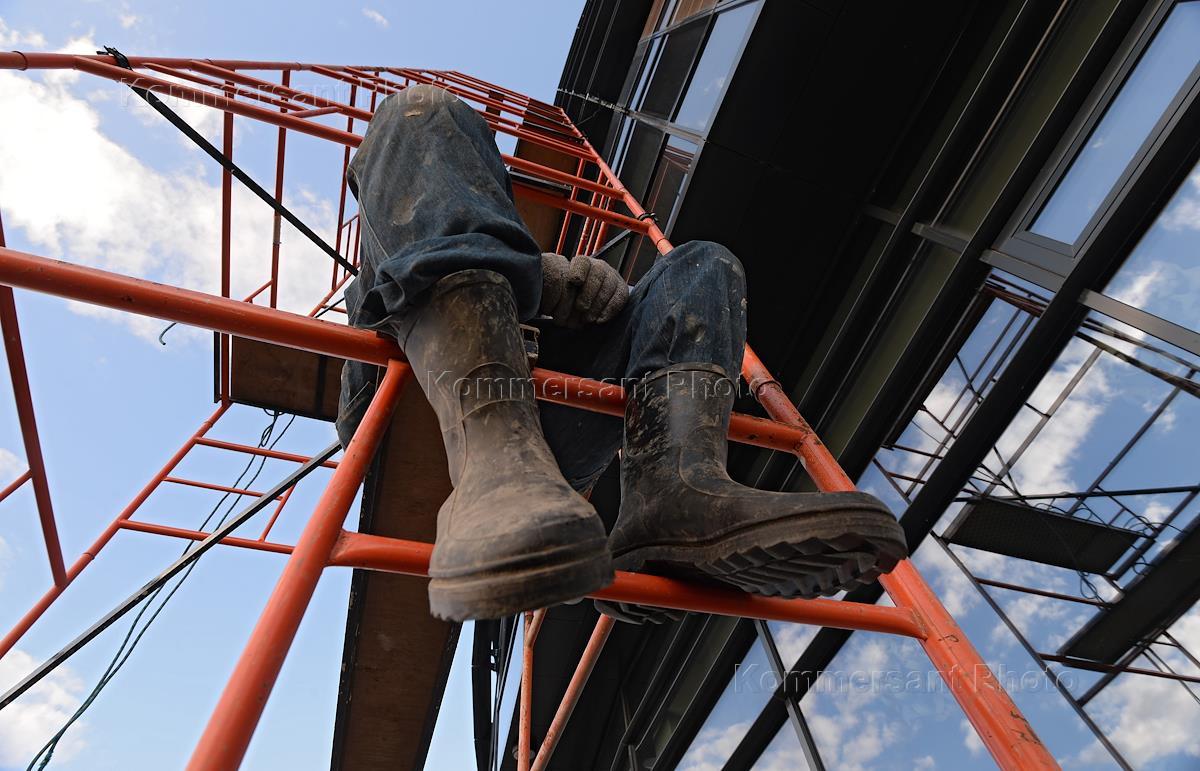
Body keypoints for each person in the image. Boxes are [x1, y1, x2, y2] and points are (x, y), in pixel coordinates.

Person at [335, 85, 906, 623]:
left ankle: (674, 497)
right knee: (419, 110)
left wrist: (580, 296)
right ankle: (494, 473)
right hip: (426, 404)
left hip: (545, 432)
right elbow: (412, 255)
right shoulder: (381, 262)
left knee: (700, 265)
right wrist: (538, 277)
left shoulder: (497, 251)